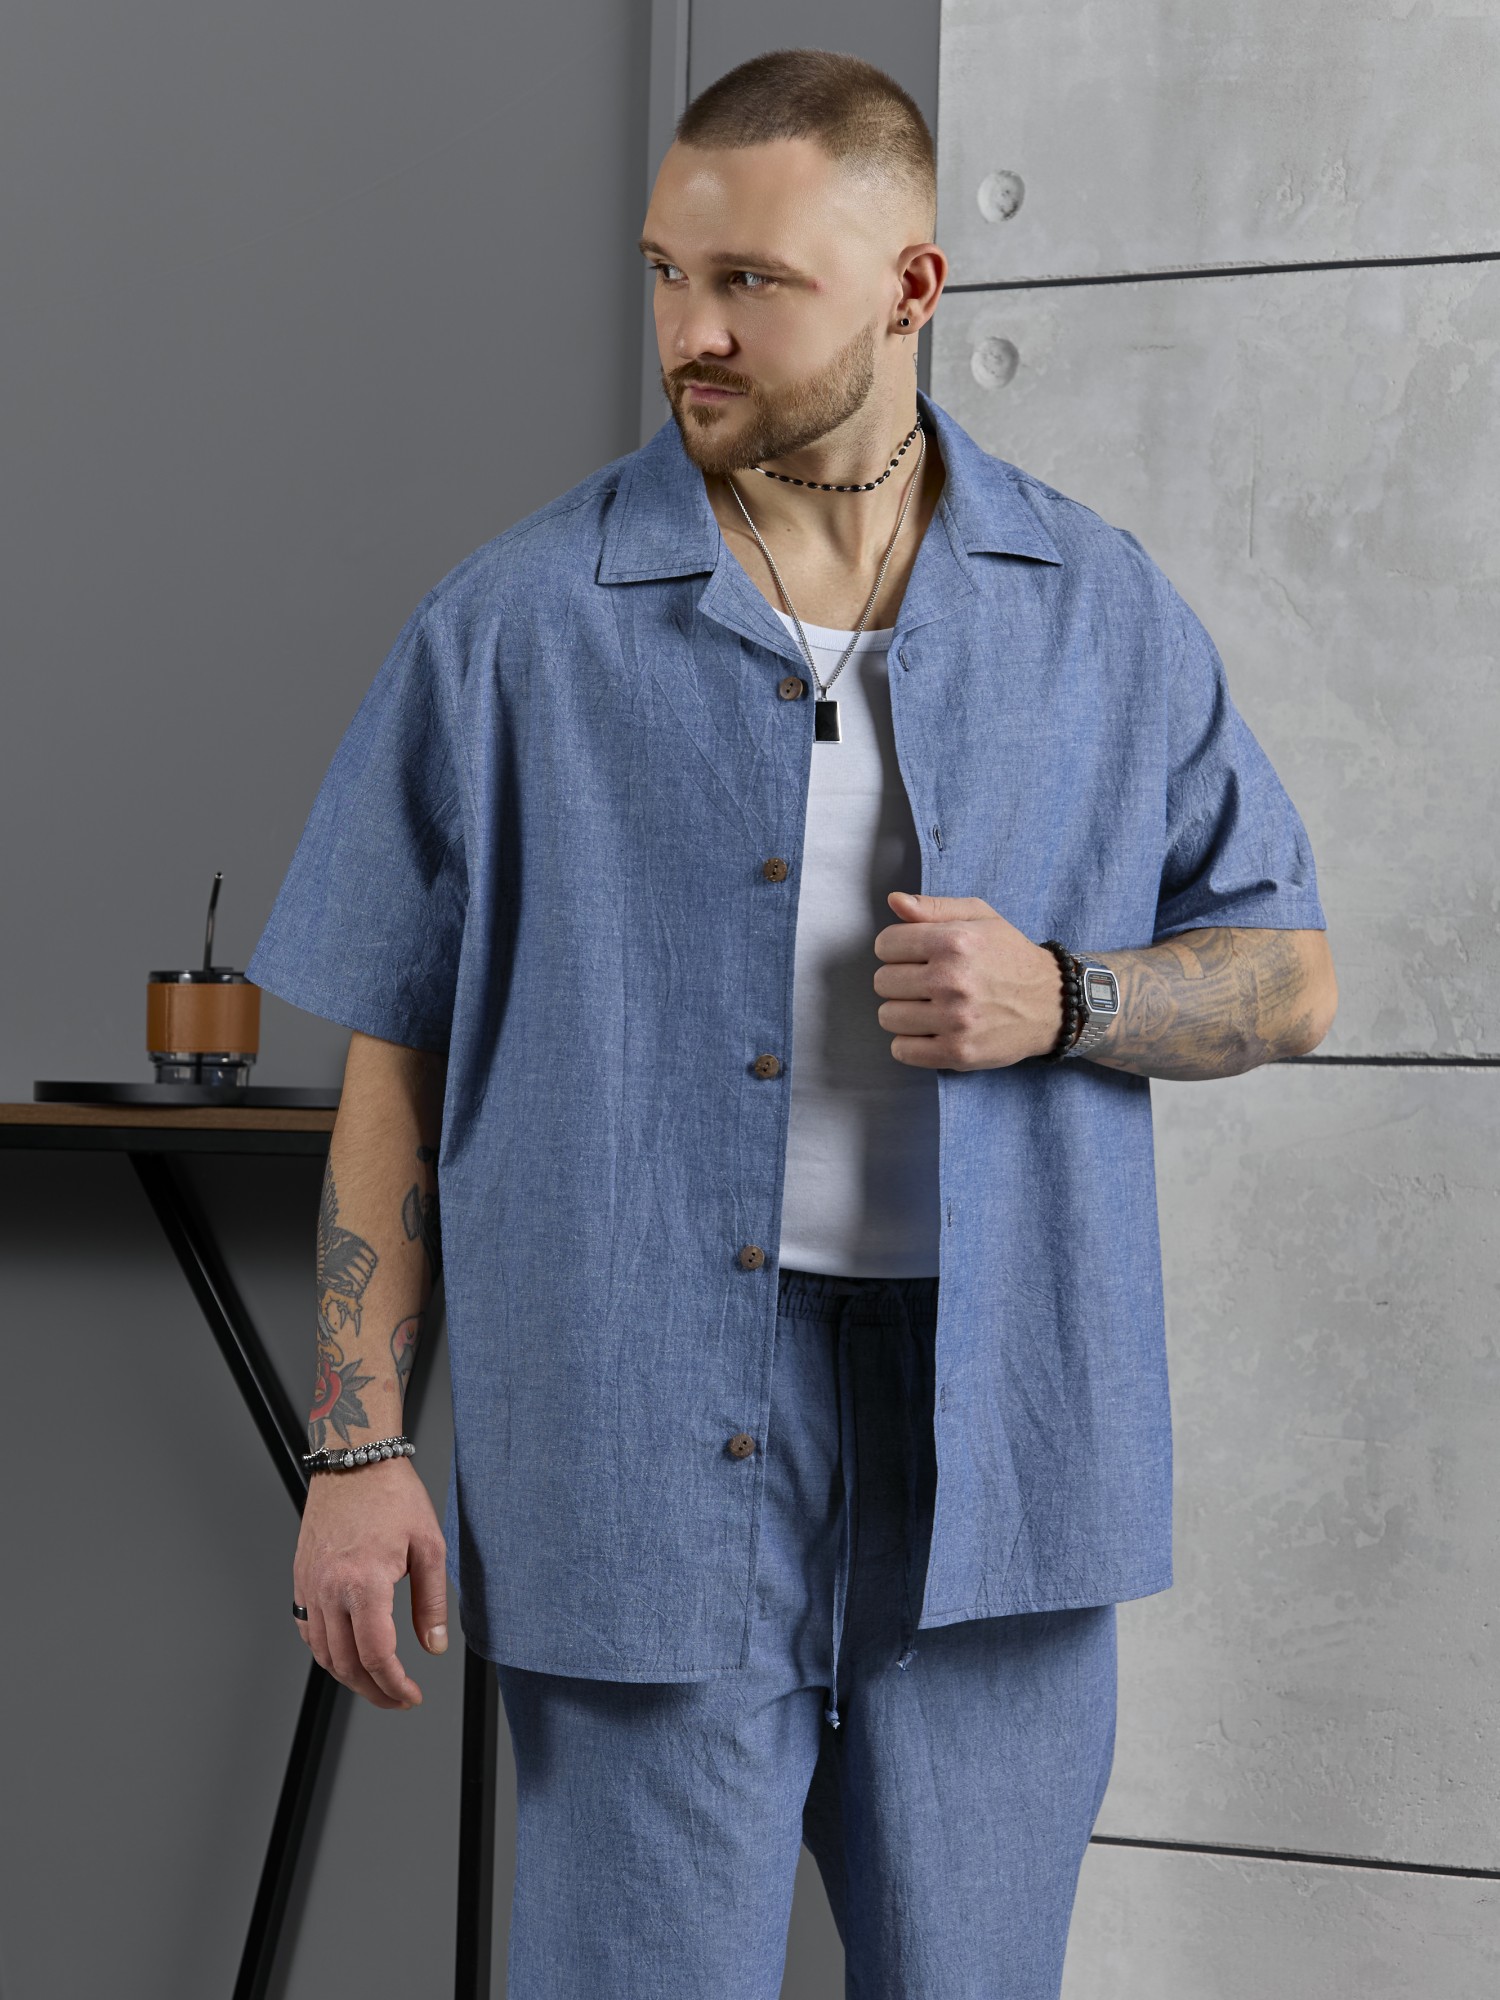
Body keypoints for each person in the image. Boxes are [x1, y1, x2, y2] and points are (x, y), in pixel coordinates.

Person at [249, 47, 1337, 2000]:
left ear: (915, 287)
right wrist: (356, 1445)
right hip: (642, 1444)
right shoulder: (515, 628)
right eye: (669, 274)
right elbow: (394, 1063)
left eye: (752, 280)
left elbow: (1292, 973)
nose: (693, 330)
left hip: (1000, 1455)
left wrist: (1068, 996)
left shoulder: (1098, 611)